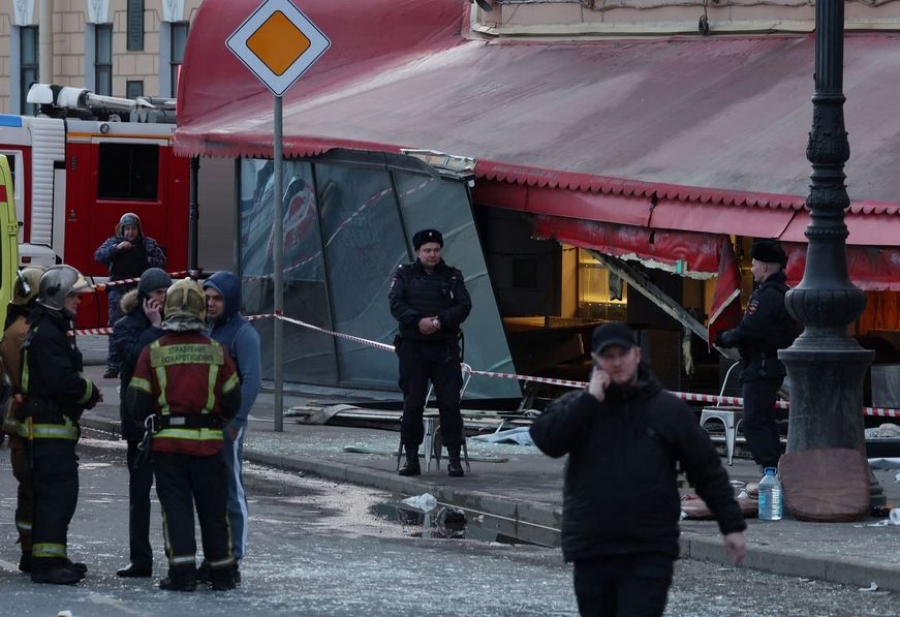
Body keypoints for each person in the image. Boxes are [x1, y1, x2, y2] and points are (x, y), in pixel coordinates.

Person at [530, 322, 746, 617]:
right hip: (592, 547)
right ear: (595, 359)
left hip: (648, 548)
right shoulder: (580, 407)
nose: (617, 362)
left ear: (637, 354)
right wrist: (590, 400)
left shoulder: (666, 409)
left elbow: (705, 468)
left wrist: (731, 525)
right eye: (608, 356)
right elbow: (547, 440)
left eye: (623, 354)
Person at [126, 278, 241, 592]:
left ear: (169, 308)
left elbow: (136, 402)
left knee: (176, 509)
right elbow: (233, 399)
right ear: (201, 310)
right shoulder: (217, 351)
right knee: (214, 510)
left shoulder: (153, 353)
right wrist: (214, 420)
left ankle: (182, 574)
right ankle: (223, 573)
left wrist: (151, 421)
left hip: (169, 446)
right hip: (208, 444)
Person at [20, 265, 102, 585]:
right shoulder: (49, 334)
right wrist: (89, 392)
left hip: (48, 427)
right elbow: (60, 381)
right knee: (57, 495)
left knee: (57, 495)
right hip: (50, 428)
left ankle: (53, 556)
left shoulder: (47, 328)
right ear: (57, 297)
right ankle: (47, 563)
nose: (78, 302)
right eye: (73, 296)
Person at [389, 229, 472, 477]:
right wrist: (418, 321)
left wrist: (438, 322)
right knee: (412, 403)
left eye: (436, 249)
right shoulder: (404, 275)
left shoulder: (453, 277)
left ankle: (454, 458)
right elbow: (396, 303)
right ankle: (412, 458)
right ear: (417, 252)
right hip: (413, 348)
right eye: (427, 250)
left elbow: (464, 305)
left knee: (450, 403)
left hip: (444, 348)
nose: (432, 254)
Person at [714, 239, 797, 472]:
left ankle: (770, 468)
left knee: (753, 421)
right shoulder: (785, 293)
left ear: (766, 267)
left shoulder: (766, 296)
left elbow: (749, 329)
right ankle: (774, 468)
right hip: (770, 366)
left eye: (755, 264)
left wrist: (724, 338)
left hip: (760, 367)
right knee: (765, 419)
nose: (752, 268)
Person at [110, 267, 172, 578]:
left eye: (166, 292)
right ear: (146, 296)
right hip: (139, 424)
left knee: (171, 493)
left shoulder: (174, 322)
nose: (163, 298)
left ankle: (178, 555)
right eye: (158, 293)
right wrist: (155, 328)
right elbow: (135, 358)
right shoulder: (125, 326)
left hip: (170, 421)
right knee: (139, 493)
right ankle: (140, 558)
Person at [202, 271, 261, 581]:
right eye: (207, 298)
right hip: (206, 421)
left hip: (227, 424)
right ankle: (215, 554)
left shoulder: (243, 333)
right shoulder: (206, 329)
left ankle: (234, 554)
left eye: (217, 298)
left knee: (231, 488)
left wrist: (237, 422)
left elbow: (252, 381)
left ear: (231, 300)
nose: (211, 303)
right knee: (210, 490)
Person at [0, 266, 46, 574]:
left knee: (31, 491)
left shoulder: (19, 327)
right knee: (33, 491)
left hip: (25, 424)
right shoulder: (23, 333)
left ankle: (33, 549)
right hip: (29, 425)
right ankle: (35, 551)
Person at [94, 212, 167, 379]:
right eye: (127, 229)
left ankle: (142, 360)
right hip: (118, 292)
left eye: (133, 229)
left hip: (140, 292)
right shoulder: (113, 242)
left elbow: (162, 262)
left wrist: (144, 257)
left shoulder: (148, 244)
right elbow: (98, 256)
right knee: (115, 327)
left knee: (144, 324)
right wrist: (116, 249)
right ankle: (113, 365)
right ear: (121, 230)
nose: (130, 233)